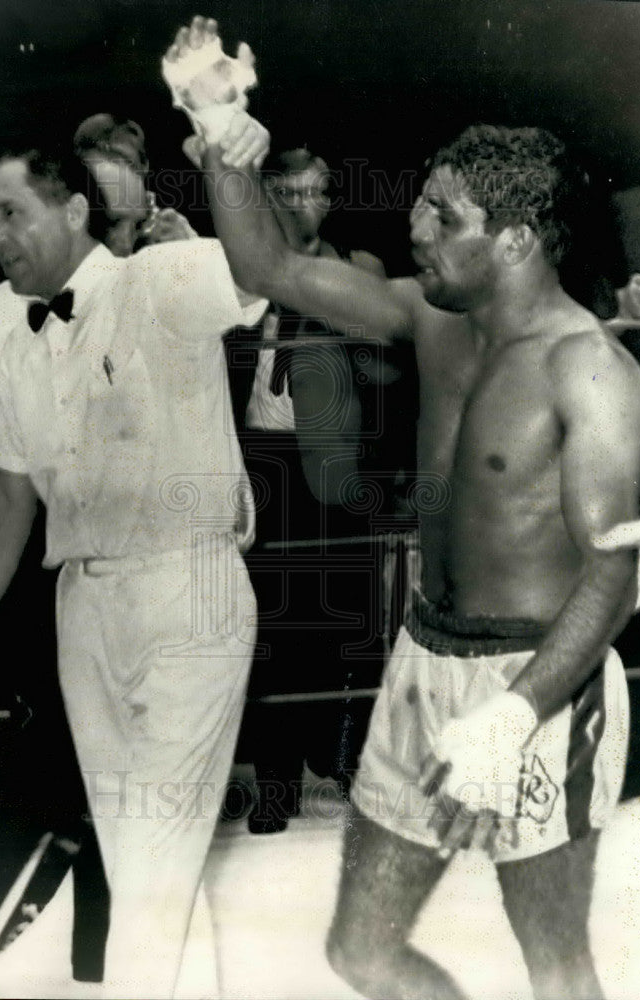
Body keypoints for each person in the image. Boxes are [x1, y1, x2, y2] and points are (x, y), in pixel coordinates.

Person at [165, 18, 640, 999]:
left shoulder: (587, 367)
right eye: (421, 206)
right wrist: (219, 128)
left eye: (442, 214)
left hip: (541, 684)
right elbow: (270, 272)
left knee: (554, 967)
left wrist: (513, 715)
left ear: (512, 237)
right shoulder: (430, 318)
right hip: (426, 656)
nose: (413, 227)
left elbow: (614, 565)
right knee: (361, 950)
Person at [0, 125, 268, 1000]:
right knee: (129, 852)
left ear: (76, 211)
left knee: (156, 867)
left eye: (13, 213)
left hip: (186, 592)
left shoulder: (156, 279)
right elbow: (12, 497)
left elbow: (261, 273)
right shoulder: (25, 344)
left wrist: (225, 150)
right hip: (85, 606)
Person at [0, 131, 154, 999]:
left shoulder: (147, 297)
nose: (125, 247)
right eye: (120, 227)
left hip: (147, 583)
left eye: (134, 229)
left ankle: (92, 968)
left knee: (99, 778)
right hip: (51, 569)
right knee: (68, 762)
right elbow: (0, 470)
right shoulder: (4, 318)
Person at [227, 146, 393, 834]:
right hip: (257, 462)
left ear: (330, 200)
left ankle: (345, 760)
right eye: (286, 194)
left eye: (314, 193)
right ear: (266, 200)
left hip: (333, 466)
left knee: (343, 624)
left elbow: (388, 379)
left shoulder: (358, 271)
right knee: (267, 629)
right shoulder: (233, 270)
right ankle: (275, 783)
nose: (301, 206)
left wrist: (345, 323)